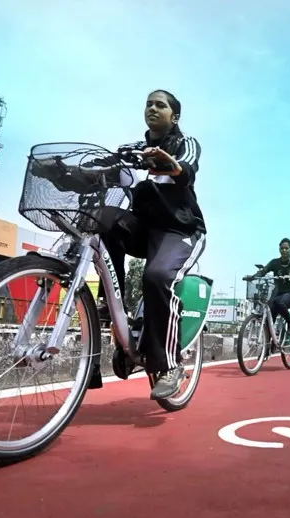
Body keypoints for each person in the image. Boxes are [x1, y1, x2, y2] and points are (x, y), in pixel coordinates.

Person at [90, 89, 206, 401]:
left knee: (156, 277)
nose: (152, 108)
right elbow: (101, 169)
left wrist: (170, 163)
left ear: (175, 116)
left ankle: (169, 365)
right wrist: (64, 172)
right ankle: (110, 307)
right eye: (148, 104)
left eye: (161, 105)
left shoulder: (186, 144)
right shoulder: (131, 149)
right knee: (104, 223)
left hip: (180, 230)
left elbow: (187, 169)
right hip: (143, 230)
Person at [243, 238, 290, 339]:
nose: (284, 250)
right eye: (282, 248)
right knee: (269, 314)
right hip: (278, 293)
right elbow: (264, 270)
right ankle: (268, 346)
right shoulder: (274, 262)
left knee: (278, 302)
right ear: (279, 249)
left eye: (286, 248)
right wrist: (253, 277)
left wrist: (289, 276)